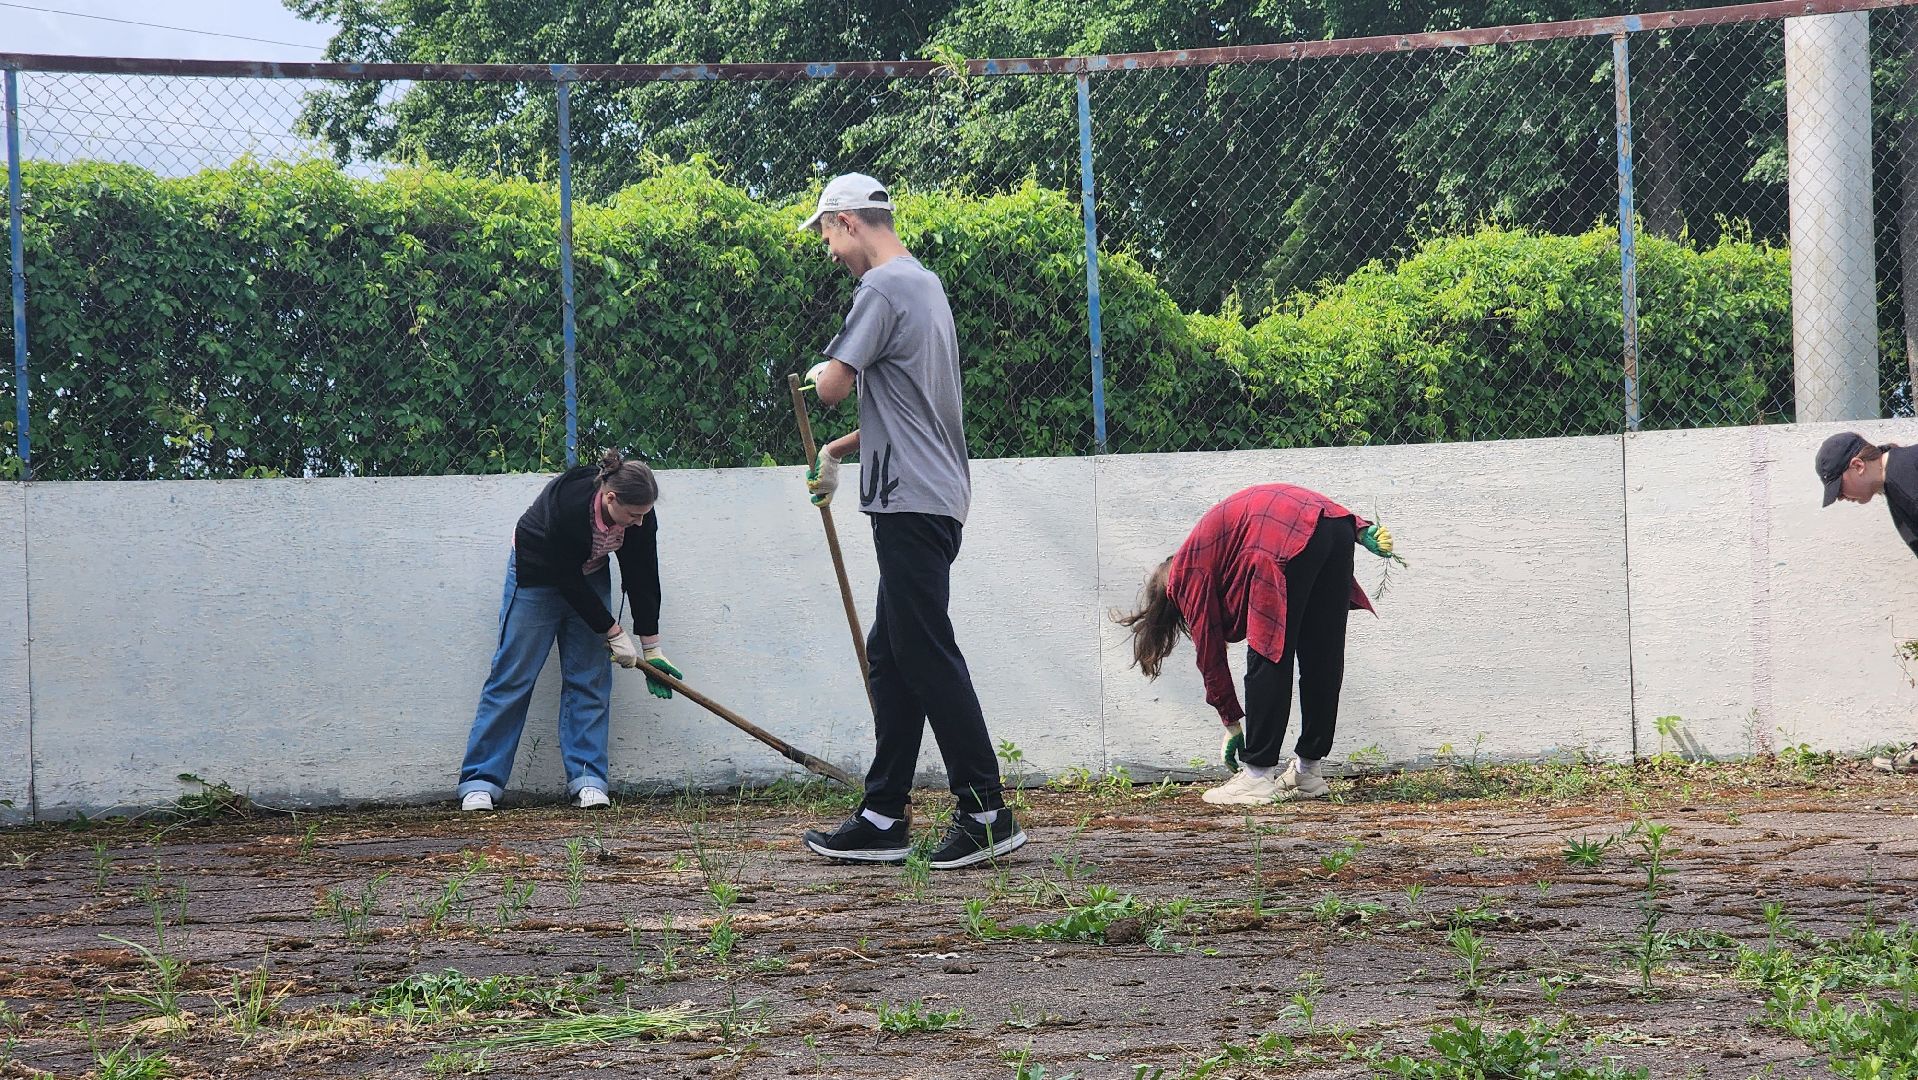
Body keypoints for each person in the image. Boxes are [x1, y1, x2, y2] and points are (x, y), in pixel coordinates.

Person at [794, 172, 1027, 869]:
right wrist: (836, 455)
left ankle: (986, 810)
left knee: (922, 649)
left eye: (828, 236)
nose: (830, 251)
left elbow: (835, 385)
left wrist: (818, 376)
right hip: (933, 493)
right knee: (892, 654)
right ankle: (882, 813)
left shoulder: (883, 287)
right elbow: (906, 408)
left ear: (848, 222)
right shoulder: (925, 286)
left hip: (910, 500)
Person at [1114, 484, 1398, 806]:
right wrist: (1359, 527)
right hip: (1335, 526)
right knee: (1322, 658)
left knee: (1268, 653)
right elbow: (1309, 506)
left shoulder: (1184, 573)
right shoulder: (1211, 549)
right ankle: (1308, 772)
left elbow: (1211, 656)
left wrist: (1232, 725)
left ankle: (1257, 776)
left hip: (1280, 538)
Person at [456, 450, 683, 810]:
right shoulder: (567, 505)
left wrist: (651, 646)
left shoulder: (640, 514)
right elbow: (566, 579)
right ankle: (481, 780)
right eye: (634, 515)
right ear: (610, 498)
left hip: (589, 575)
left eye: (644, 514)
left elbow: (643, 573)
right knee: (512, 676)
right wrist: (612, 632)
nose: (639, 522)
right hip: (538, 574)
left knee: (589, 678)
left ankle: (588, 778)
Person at [1815, 431, 1918, 773]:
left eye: (1839, 487)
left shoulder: (1907, 478)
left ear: (1857, 465)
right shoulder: (1899, 477)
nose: (1841, 497)